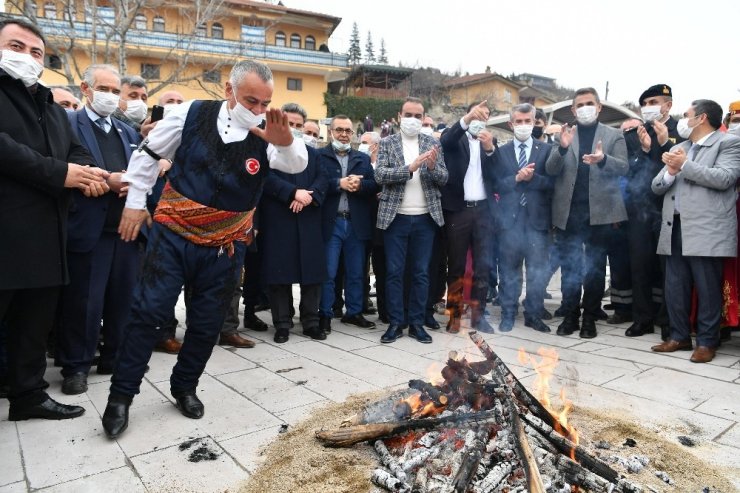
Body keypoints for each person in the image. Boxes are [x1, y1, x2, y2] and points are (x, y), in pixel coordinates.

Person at [101, 60, 308, 438]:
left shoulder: (269, 132)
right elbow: (148, 155)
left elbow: (295, 164)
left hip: (225, 245)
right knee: (148, 312)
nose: (259, 110)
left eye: (265, 103)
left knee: (207, 322)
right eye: (251, 101)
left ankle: (184, 386)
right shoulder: (190, 114)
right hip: (173, 234)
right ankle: (120, 396)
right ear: (229, 91)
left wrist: (286, 141)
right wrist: (134, 204)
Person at [0, 18, 109, 421]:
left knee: (34, 320)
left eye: (36, 53)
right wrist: (60, 174)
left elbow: (77, 151)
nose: (27, 57)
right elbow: (7, 150)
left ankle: (28, 395)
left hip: (48, 232)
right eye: (16, 46)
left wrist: (88, 175)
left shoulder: (50, 104)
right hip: (6, 229)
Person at [56, 64, 142, 395]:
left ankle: (114, 356)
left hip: (125, 230)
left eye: (114, 91)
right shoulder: (67, 124)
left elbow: (140, 172)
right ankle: (75, 366)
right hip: (87, 226)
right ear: (85, 88)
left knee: (123, 300)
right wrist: (107, 180)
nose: (110, 96)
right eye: (103, 88)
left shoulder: (127, 132)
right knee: (84, 302)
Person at [651, 99, 740, 363]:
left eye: (687, 115)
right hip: (675, 226)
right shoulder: (681, 146)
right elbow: (657, 186)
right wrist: (669, 172)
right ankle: (678, 337)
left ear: (702, 118)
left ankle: (706, 342)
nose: (683, 119)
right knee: (675, 286)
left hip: (706, 228)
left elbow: (724, 178)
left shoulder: (728, 143)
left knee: (707, 287)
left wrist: (684, 166)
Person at [546, 87, 628, 339]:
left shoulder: (614, 136)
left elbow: (623, 168)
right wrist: (561, 148)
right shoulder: (564, 135)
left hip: (600, 214)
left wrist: (603, 160)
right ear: (573, 110)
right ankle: (570, 314)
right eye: (579, 104)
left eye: (589, 103)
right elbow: (550, 169)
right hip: (569, 213)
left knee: (594, 269)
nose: (585, 108)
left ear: (599, 106)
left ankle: (590, 316)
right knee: (570, 268)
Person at [375, 97, 448, 344]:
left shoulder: (432, 143)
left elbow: (444, 178)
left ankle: (417, 323)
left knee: (421, 273)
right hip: (395, 218)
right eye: (409, 114)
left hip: (425, 218)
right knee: (394, 272)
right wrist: (410, 167)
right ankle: (396, 322)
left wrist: (432, 166)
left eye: (418, 116)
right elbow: (380, 174)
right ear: (399, 116)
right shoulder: (386, 142)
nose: (413, 120)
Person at [260, 103, 328, 343]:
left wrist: (308, 196)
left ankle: (311, 322)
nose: (295, 129)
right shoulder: (267, 150)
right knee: (280, 274)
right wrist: (292, 192)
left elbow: (323, 179)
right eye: (291, 124)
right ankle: (282, 323)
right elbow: (265, 178)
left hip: (308, 217)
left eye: (299, 125)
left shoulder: (315, 154)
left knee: (312, 274)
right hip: (280, 218)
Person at [622, 84, 684, 339]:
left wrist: (659, 145)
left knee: (668, 270)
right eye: (645, 103)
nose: (649, 108)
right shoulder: (637, 133)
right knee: (639, 266)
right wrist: (646, 149)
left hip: (667, 211)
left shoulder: (681, 131)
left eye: (654, 102)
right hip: (639, 210)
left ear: (668, 105)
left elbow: (675, 169)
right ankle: (643, 318)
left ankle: (668, 321)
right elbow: (630, 171)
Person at [492, 103, 553, 333]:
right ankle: (508, 313)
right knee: (508, 271)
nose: (524, 125)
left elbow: (551, 184)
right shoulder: (502, 152)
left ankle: (534, 314)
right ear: (511, 124)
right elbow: (496, 184)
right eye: (519, 121)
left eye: (529, 121)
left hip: (537, 222)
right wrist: (517, 178)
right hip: (510, 223)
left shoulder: (546, 150)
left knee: (537, 271)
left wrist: (532, 179)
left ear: (535, 121)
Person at [317, 115, 378, 333]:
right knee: (329, 272)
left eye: (348, 130)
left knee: (356, 273)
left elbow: (374, 186)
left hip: (355, 223)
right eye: (339, 130)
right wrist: (338, 183)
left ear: (353, 134)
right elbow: (315, 185)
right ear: (331, 131)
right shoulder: (319, 156)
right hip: (331, 223)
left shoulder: (362, 158)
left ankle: (354, 312)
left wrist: (360, 185)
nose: (344, 134)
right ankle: (324, 313)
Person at [440, 100, 497, 334]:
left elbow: (498, 173)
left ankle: (478, 315)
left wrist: (491, 150)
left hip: (483, 211)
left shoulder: (489, 142)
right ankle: (453, 314)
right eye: (475, 116)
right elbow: (446, 140)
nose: (478, 121)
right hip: (459, 209)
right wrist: (466, 120)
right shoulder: (456, 138)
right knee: (456, 265)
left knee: (483, 266)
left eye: (483, 117)